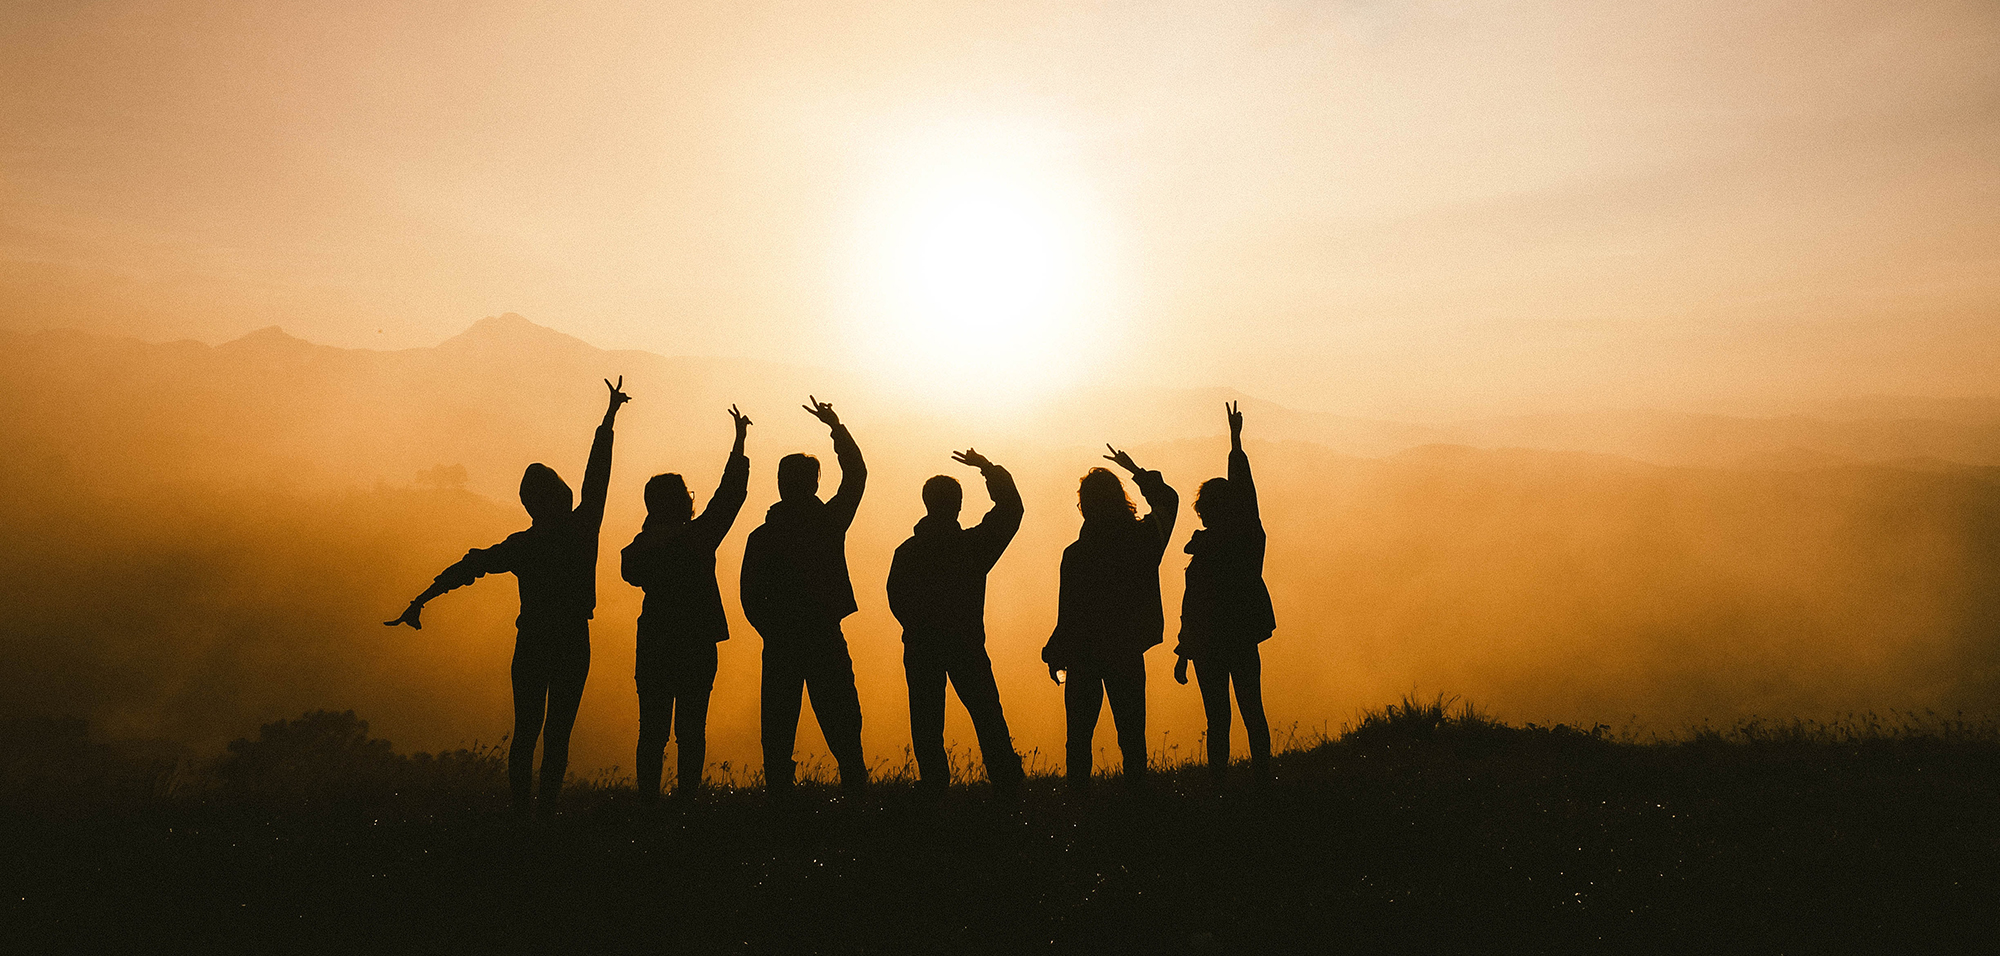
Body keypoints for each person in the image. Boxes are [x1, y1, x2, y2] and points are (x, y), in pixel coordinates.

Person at [386, 377, 630, 813]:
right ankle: (544, 811)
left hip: (534, 641)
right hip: (571, 640)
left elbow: (468, 567)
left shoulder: (523, 545)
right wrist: (608, 420)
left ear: (529, 503)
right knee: (556, 733)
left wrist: (421, 599)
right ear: (560, 496)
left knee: (527, 731)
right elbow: (598, 475)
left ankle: (522, 812)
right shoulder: (581, 529)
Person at [621, 405, 752, 803]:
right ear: (683, 502)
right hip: (696, 643)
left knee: (652, 730)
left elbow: (630, 571)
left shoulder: (639, 549)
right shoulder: (698, 538)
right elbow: (729, 497)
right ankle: (687, 801)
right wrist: (740, 443)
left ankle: (648, 801)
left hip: (655, 642)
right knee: (692, 728)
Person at [740, 397, 869, 796]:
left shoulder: (763, 536)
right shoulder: (828, 523)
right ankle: (855, 787)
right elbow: (857, 475)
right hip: (822, 633)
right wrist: (836, 426)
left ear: (781, 483)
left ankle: (779, 794)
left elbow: (749, 595)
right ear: (814, 483)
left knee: (778, 722)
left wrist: (771, 628)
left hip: (780, 639)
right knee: (841, 716)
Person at [886, 448, 1026, 795]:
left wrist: (918, 627)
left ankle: (934, 785)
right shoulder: (972, 547)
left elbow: (896, 598)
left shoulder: (907, 552)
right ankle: (1007, 779)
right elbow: (1011, 510)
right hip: (966, 643)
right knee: (987, 713)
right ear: (958, 505)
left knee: (926, 719)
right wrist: (987, 469)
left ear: (926, 504)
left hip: (921, 644)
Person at [1042, 445, 1178, 789]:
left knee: (1079, 738)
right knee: (1132, 734)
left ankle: (1078, 802)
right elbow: (1169, 501)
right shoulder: (1144, 539)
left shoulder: (1075, 555)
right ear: (1121, 499)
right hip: (1127, 650)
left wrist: (1055, 653)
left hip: (1084, 654)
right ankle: (1136, 802)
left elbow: (1068, 613)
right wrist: (1135, 469)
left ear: (1085, 507)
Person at [1173, 402, 1276, 783]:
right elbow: (1246, 495)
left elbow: (1193, 607)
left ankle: (1221, 784)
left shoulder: (1218, 546)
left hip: (1209, 645)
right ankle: (1260, 779)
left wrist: (1185, 650)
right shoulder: (1247, 539)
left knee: (1219, 716)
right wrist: (1235, 443)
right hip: (1239, 637)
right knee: (1251, 709)